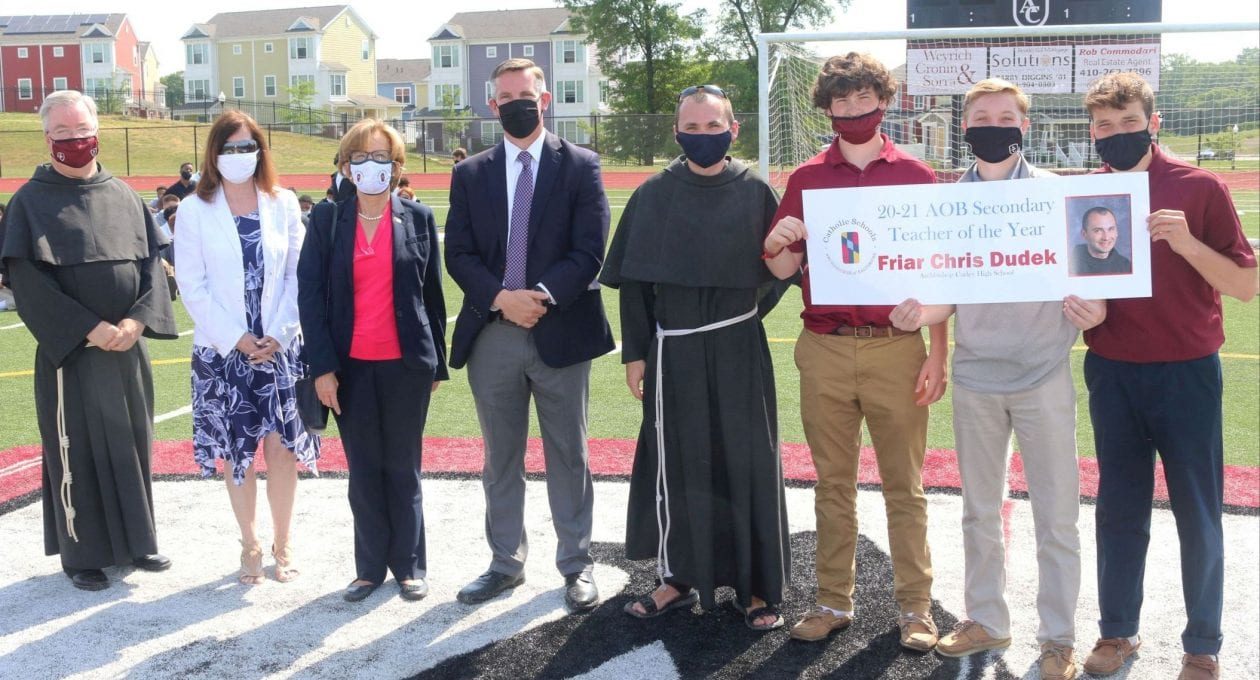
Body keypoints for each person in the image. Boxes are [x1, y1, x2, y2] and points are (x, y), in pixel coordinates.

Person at [889, 78, 1107, 680]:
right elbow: (943, 294)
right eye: (981, 116)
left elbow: (1093, 279)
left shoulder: (1058, 196)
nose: (992, 124)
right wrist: (917, 312)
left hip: (1043, 373)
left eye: (1004, 115)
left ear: (1024, 126)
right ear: (965, 126)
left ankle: (1058, 637)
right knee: (979, 509)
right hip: (976, 376)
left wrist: (1099, 309)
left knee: (1056, 513)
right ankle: (986, 616)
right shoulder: (945, 202)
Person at [762, 53, 947, 650]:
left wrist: (936, 350)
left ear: (883, 101)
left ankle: (915, 607)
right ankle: (831, 600)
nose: (851, 111)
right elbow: (785, 266)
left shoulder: (917, 176)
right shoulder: (808, 178)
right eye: (840, 103)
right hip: (826, 346)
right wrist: (776, 243)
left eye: (861, 99)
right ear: (827, 109)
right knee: (832, 484)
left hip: (897, 347)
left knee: (905, 484)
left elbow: (939, 275)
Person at [1076, 72, 1257, 680]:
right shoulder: (1087, 196)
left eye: (1130, 123)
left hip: (1187, 374)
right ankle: (1116, 633)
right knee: (1118, 508)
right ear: (1092, 133)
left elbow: (1245, 285)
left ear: (1153, 124)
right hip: (1113, 371)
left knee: (1199, 512)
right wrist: (1082, 308)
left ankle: (1202, 644)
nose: (1117, 134)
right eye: (1105, 125)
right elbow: (1077, 284)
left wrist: (1187, 245)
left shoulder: (1198, 187)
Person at [600, 85, 790, 630]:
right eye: (693, 127)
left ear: (734, 130)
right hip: (672, 351)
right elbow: (634, 284)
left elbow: (778, 273)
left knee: (747, 459)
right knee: (677, 464)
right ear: (677, 131)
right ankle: (676, 578)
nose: (703, 136)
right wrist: (635, 353)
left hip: (738, 347)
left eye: (714, 127)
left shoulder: (756, 192)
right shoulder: (654, 194)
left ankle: (757, 588)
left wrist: (741, 313)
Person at [445, 58, 614, 612]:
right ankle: (505, 563)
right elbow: (460, 253)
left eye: (527, 93)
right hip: (493, 332)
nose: (517, 102)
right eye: (506, 96)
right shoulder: (471, 173)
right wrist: (501, 299)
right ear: (492, 106)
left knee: (570, 452)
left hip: (559, 327)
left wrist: (536, 297)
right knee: (501, 456)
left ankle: (576, 563)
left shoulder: (581, 165)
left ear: (545, 100)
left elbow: (590, 250)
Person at [0, 90, 177, 591]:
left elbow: (151, 267)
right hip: (71, 355)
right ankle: (84, 554)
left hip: (127, 348)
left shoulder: (123, 195)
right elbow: (28, 282)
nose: (75, 142)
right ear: (47, 138)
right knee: (74, 449)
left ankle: (137, 541)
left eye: (82, 132)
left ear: (96, 131)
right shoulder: (29, 203)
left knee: (131, 444)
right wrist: (88, 328)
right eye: (63, 135)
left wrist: (137, 322)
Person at [299, 118, 448, 603]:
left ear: (397, 165)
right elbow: (311, 298)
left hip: (407, 366)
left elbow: (432, 296)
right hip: (350, 369)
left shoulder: (418, 218)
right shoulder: (325, 220)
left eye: (381, 158)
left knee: (404, 466)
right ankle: (368, 569)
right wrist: (322, 368)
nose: (370, 167)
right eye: (360, 158)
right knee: (364, 470)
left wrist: (436, 363)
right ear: (345, 166)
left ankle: (409, 566)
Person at [174, 110, 320, 585]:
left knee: (281, 451)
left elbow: (302, 274)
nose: (240, 156)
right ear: (214, 154)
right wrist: (237, 338)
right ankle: (250, 544)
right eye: (229, 148)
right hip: (224, 353)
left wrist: (280, 331)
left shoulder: (282, 203)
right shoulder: (195, 209)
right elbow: (192, 286)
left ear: (261, 149)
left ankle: (283, 542)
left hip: (279, 350)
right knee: (239, 453)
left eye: (247, 146)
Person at [1071, 207, 1132, 275]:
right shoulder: (1070, 263)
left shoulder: (1126, 266)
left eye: (1111, 229)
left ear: (1117, 232)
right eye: (1098, 231)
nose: (1106, 237)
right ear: (1084, 234)